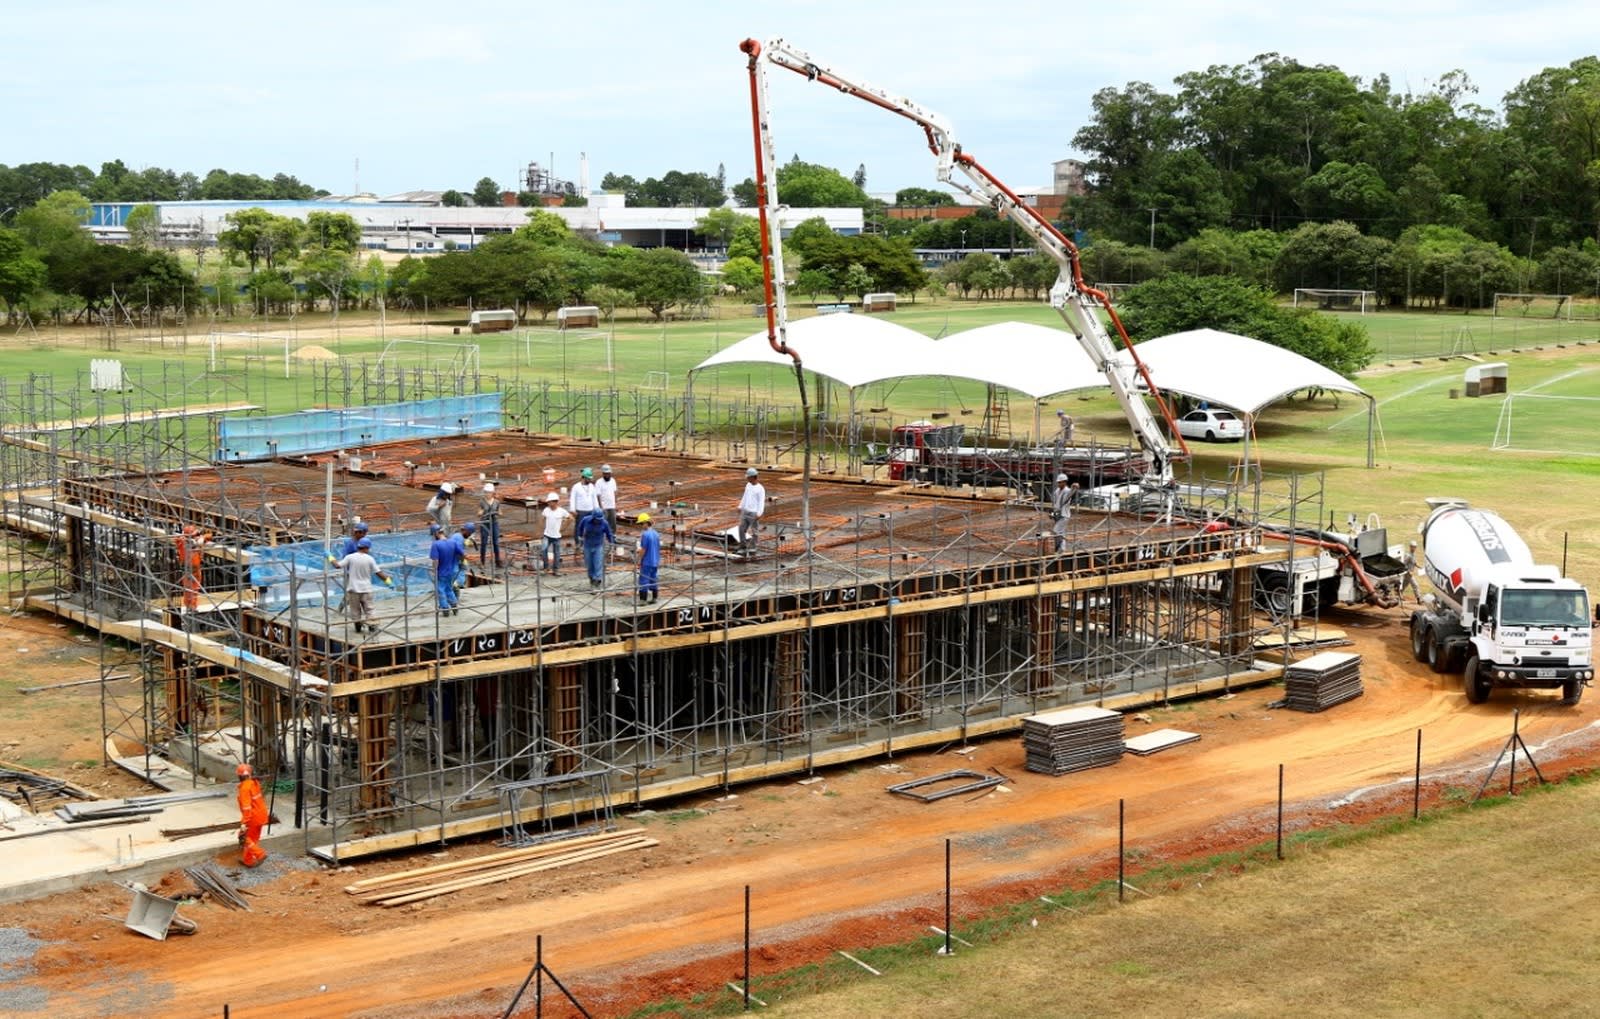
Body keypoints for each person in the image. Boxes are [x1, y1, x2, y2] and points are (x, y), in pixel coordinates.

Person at [329, 536, 392, 634]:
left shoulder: (350, 557)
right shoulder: (370, 559)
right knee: (369, 609)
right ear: (367, 547)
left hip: (353, 589)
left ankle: (358, 628)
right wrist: (388, 582)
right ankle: (372, 628)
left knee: (355, 611)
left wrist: (330, 557)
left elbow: (337, 565)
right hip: (366, 589)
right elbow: (378, 572)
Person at [236, 763, 269, 868]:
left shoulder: (244, 788)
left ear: (239, 776)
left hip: (253, 816)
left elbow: (247, 808)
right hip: (262, 814)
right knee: (253, 839)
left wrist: (244, 823)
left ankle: (260, 854)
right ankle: (248, 861)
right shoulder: (254, 783)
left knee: (243, 837)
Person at [576, 506, 615, 589]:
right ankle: (591, 579)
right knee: (590, 564)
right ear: (593, 517)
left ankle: (597, 581)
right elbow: (580, 529)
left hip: (598, 546)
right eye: (597, 519)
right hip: (587, 545)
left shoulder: (604, 523)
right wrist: (580, 539)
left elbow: (609, 533)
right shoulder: (586, 520)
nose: (598, 521)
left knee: (597, 564)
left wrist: (611, 543)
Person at [429, 523, 462, 616]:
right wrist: (461, 563)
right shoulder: (453, 542)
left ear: (436, 533)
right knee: (449, 588)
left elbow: (435, 560)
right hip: (451, 571)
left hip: (442, 572)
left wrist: (434, 571)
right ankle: (454, 605)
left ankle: (445, 609)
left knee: (440, 590)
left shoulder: (436, 545)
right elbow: (462, 553)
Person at [540, 492, 570, 576]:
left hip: (556, 536)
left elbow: (570, 518)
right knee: (543, 550)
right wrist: (542, 529)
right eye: (548, 502)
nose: (548, 503)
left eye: (550, 502)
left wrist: (563, 528)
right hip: (547, 535)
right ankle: (546, 568)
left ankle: (556, 570)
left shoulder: (561, 511)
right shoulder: (546, 510)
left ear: (555, 502)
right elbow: (542, 518)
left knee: (556, 553)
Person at [738, 467, 765, 552]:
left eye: (748, 477)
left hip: (754, 513)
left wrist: (759, 513)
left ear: (753, 477)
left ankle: (754, 547)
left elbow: (761, 502)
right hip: (745, 511)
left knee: (754, 531)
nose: (747, 478)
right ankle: (743, 545)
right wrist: (740, 506)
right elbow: (745, 496)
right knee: (741, 529)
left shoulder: (760, 489)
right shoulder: (748, 485)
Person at [636, 512, 661, 603]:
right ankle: (655, 598)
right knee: (653, 578)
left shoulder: (645, 535)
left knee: (644, 580)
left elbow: (643, 550)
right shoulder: (656, 534)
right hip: (655, 561)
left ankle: (643, 600)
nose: (641, 526)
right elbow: (657, 547)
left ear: (646, 523)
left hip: (647, 561)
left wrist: (638, 560)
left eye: (642, 524)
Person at [1049, 474, 1077, 552]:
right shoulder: (1057, 491)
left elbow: (1072, 491)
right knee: (1061, 532)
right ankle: (1062, 549)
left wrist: (1075, 486)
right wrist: (1052, 513)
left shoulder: (1067, 491)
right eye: (1058, 482)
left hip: (1064, 515)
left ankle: (1059, 548)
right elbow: (1055, 503)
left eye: (1060, 482)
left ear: (1065, 482)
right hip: (1057, 514)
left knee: (1056, 530)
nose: (1059, 484)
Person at [478, 483, 503, 569]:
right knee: (484, 543)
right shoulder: (482, 501)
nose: (487, 494)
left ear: (492, 493)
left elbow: (500, 511)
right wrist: (480, 513)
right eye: (486, 492)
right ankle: (482, 562)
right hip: (485, 523)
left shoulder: (496, 502)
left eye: (489, 492)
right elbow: (479, 511)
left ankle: (497, 561)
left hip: (494, 522)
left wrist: (499, 513)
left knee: (495, 543)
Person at [452, 521, 476, 592]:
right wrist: (463, 560)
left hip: (454, 560)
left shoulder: (457, 536)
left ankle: (456, 589)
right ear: (466, 531)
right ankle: (455, 589)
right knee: (457, 579)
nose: (469, 535)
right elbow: (460, 552)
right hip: (454, 560)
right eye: (469, 533)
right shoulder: (459, 539)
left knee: (459, 575)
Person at [596, 464, 619, 533]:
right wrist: (601, 507)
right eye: (606, 474)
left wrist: (616, 504)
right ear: (603, 474)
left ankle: (612, 535)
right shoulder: (599, 482)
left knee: (613, 522)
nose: (607, 475)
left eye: (608, 474)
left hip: (612, 506)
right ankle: (602, 536)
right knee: (603, 522)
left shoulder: (613, 481)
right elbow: (598, 495)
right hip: (604, 507)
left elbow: (615, 492)